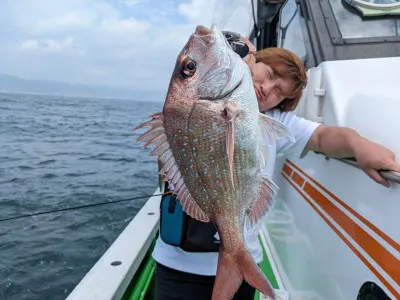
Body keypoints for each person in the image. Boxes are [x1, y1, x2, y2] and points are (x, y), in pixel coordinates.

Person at [153, 39, 400, 300]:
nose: (266, 89)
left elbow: (323, 136)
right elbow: (169, 157)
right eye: (268, 74)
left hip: (243, 257)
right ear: (251, 60)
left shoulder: (276, 122)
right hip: (178, 265)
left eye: (279, 92)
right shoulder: (198, 105)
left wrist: (357, 144)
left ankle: (234, 257)